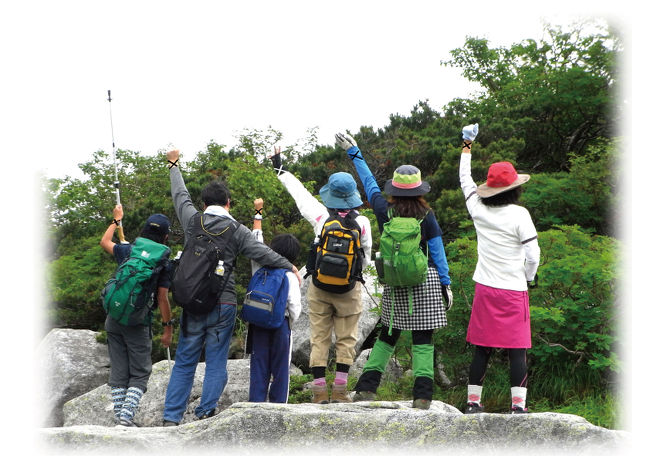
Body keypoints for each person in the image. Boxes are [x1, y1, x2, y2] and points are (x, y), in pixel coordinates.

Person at [162, 149, 301, 426]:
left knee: (185, 361)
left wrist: (173, 165)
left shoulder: (192, 220)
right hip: (222, 303)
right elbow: (263, 253)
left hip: (191, 301)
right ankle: (205, 413)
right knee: (215, 361)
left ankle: (171, 418)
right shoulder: (237, 230)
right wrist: (290, 266)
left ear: (204, 203)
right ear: (228, 203)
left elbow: (180, 195)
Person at [338, 132, 452, 410]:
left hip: (395, 280)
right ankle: (423, 396)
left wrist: (355, 152)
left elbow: (368, 183)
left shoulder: (383, 209)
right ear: (419, 189)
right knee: (423, 339)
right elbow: (437, 252)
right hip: (424, 280)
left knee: (388, 334)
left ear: (394, 188)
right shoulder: (427, 215)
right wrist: (445, 284)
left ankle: (366, 389)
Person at [270, 146, 372, 403]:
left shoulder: (320, 216)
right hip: (349, 289)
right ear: (352, 196)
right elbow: (366, 257)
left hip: (319, 287)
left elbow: (300, 195)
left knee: (319, 337)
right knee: (347, 337)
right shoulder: (363, 223)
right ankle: (339, 391)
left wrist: (279, 167)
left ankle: (318, 392)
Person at [458, 123, 540, 414]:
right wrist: (529, 277)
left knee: (483, 348)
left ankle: (472, 404)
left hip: (485, 287)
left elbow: (465, 180)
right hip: (514, 290)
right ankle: (518, 408)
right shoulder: (520, 214)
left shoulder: (478, 209)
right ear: (515, 188)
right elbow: (533, 253)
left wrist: (467, 143)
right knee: (517, 350)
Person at [99, 204, 174, 426]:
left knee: (119, 372)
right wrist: (167, 327)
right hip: (138, 321)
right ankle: (126, 417)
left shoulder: (129, 250)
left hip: (113, 317)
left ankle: (120, 418)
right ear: (166, 236)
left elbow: (104, 242)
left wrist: (116, 220)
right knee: (140, 374)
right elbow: (162, 298)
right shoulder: (163, 262)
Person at [246, 198, 302, 403]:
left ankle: (256, 403)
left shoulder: (260, 267)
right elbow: (295, 306)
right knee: (280, 370)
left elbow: (255, 242)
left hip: (258, 323)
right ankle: (278, 405)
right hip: (281, 325)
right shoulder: (290, 275)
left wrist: (258, 214)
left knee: (259, 365)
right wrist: (289, 323)